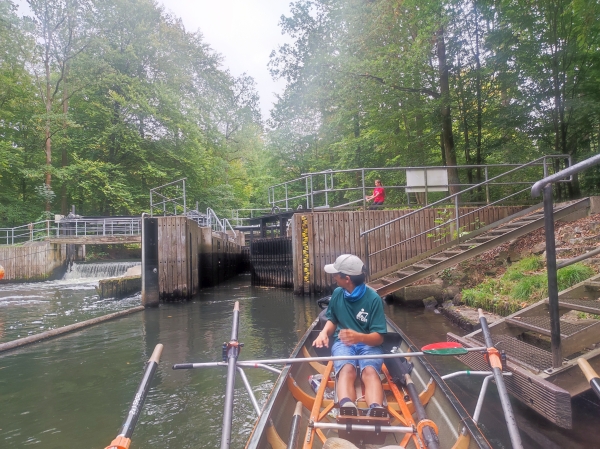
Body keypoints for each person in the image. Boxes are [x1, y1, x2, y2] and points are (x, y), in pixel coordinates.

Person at [312, 254, 387, 416]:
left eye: (336, 275)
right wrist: (324, 333)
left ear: (347, 278)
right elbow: (332, 318)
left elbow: (379, 337)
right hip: (343, 343)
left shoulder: (373, 299)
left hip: (370, 345)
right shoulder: (338, 293)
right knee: (347, 369)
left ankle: (376, 408)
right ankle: (347, 406)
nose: (333, 277)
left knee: (370, 371)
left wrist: (359, 337)